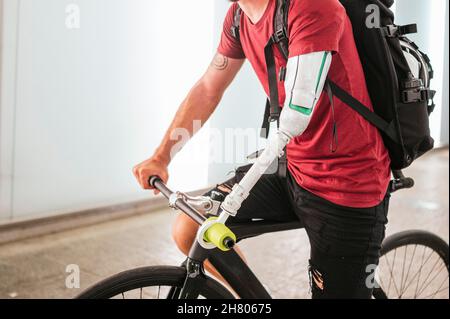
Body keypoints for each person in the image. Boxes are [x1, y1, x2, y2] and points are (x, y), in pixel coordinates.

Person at [133, 0, 391, 299]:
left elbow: (296, 115)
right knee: (193, 226)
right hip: (292, 166)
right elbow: (208, 88)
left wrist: (235, 198)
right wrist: (161, 156)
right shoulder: (238, 17)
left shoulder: (312, 7)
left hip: (347, 181)